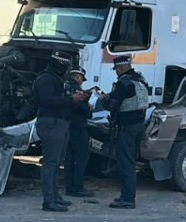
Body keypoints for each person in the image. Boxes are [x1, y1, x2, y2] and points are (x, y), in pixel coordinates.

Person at [33, 52, 88, 212]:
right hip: (52, 122)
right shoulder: (46, 79)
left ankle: (55, 196)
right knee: (51, 163)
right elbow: (45, 100)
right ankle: (49, 200)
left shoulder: (55, 78)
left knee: (56, 162)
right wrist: (71, 100)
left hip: (60, 122)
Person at [100, 55, 150, 210]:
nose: (116, 73)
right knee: (131, 161)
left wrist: (103, 99)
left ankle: (127, 198)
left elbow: (112, 105)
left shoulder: (123, 83)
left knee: (125, 162)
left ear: (120, 68)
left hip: (126, 127)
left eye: (116, 69)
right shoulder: (141, 80)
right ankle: (127, 195)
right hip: (139, 125)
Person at [64, 68, 95, 198]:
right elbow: (81, 107)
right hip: (78, 125)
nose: (82, 82)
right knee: (82, 156)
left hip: (67, 125)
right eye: (82, 79)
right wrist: (89, 107)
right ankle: (78, 187)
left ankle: (69, 187)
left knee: (69, 157)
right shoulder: (76, 90)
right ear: (78, 77)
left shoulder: (64, 86)